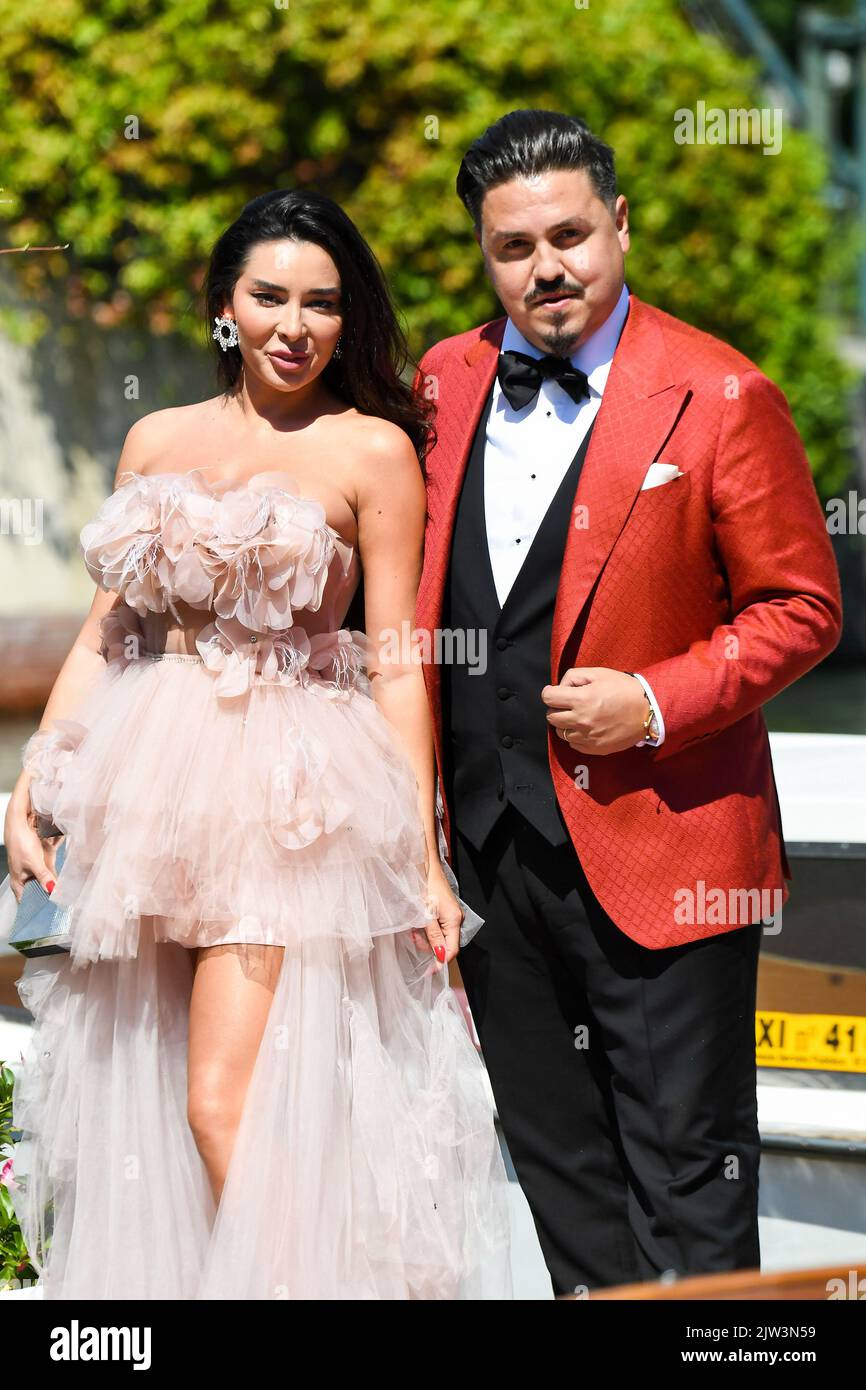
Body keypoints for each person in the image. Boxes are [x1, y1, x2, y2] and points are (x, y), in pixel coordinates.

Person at [0, 188, 512, 1300]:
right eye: (268, 296)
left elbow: (394, 659)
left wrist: (421, 856)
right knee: (144, 1101)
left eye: (321, 303)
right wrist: (36, 773)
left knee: (221, 1102)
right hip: (143, 792)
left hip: (288, 799)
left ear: (346, 317)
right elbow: (109, 628)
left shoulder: (372, 450)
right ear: (223, 306)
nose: (294, 324)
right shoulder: (156, 436)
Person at [413, 109, 843, 1297]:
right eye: (512, 246)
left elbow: (802, 607)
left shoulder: (717, 391)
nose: (544, 266)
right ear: (483, 255)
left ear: (619, 226)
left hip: (665, 856)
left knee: (689, 1191)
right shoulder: (444, 381)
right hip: (488, 865)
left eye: (567, 235)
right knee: (562, 1186)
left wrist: (650, 702)